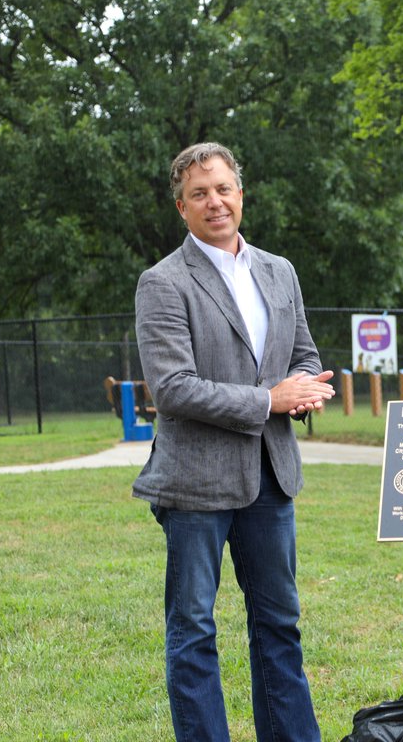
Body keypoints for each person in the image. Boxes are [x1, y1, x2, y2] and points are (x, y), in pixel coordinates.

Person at [134, 142, 335, 742]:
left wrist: (306, 388)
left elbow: (304, 354)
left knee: (279, 625)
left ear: (240, 194)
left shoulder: (279, 270)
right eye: (199, 194)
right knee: (194, 630)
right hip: (194, 484)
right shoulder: (162, 282)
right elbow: (173, 388)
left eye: (223, 189)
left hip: (271, 478)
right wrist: (270, 400)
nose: (214, 202)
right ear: (182, 207)